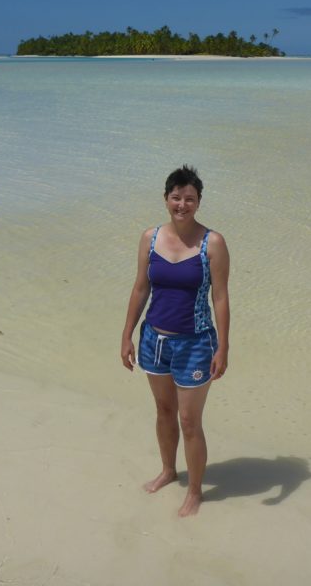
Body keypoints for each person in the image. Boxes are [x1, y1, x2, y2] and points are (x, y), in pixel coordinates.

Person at [120, 165, 230, 517]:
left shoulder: (212, 243)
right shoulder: (149, 238)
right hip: (153, 339)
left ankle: (195, 491)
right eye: (176, 197)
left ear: (198, 202)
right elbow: (141, 288)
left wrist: (223, 347)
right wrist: (126, 335)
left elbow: (221, 298)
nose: (182, 204)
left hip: (195, 344)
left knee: (189, 421)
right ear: (166, 198)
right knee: (164, 411)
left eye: (190, 199)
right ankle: (169, 471)